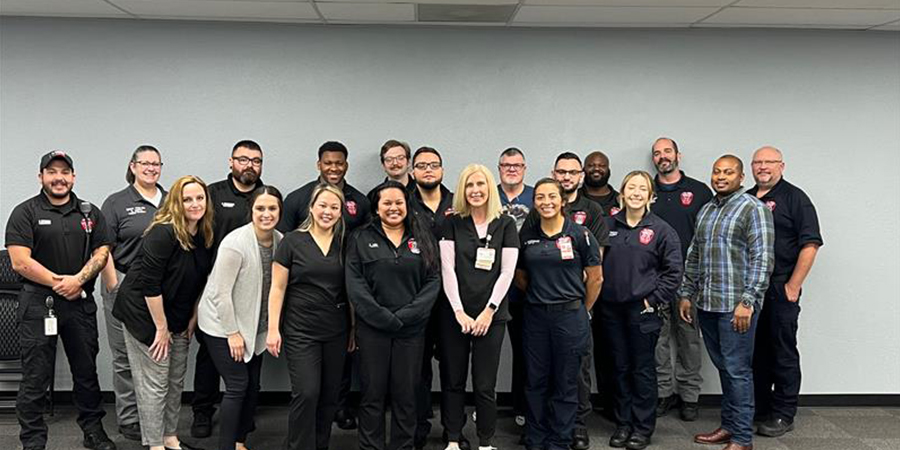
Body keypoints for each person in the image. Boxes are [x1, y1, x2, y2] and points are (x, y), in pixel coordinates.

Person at [6, 151, 116, 450]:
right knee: (35, 375)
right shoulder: (24, 212)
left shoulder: (89, 212)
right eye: (52, 171)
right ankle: (33, 441)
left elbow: (102, 251)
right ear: (41, 176)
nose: (59, 177)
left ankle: (93, 432)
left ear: (73, 176)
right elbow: (20, 262)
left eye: (65, 172)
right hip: (38, 303)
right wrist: (61, 283)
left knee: (86, 372)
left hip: (79, 302)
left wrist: (78, 281)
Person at [678, 155, 774, 450]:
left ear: (741, 177)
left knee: (738, 370)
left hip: (736, 308)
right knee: (725, 369)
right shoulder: (706, 210)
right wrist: (685, 292)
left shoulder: (753, 208)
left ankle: (743, 438)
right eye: (717, 172)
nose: (721, 176)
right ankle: (730, 426)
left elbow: (763, 258)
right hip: (707, 304)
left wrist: (748, 301)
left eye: (728, 172)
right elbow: (695, 255)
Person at [113, 175, 215, 450]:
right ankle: (155, 444)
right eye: (187, 199)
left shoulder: (204, 233)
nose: (195, 204)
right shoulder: (164, 232)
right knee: (156, 383)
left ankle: (170, 437)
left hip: (178, 314)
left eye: (199, 198)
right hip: (144, 315)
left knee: (174, 380)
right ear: (176, 204)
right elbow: (149, 284)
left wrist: (193, 315)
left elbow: (199, 278)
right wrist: (161, 328)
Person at [280, 140, 371, 430]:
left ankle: (339, 413)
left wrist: (355, 321)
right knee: (308, 391)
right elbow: (280, 275)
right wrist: (273, 325)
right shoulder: (296, 202)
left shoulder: (360, 202)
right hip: (302, 314)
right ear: (319, 164)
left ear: (346, 164)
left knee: (335, 381)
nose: (334, 167)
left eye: (339, 162)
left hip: (341, 309)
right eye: (328, 162)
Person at [522, 152, 609, 449]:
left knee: (566, 381)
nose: (546, 201)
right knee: (535, 380)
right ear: (535, 202)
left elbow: (595, 278)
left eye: (551, 197)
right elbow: (520, 275)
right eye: (540, 197)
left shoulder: (580, 234)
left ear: (562, 201)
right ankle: (535, 438)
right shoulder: (528, 233)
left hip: (570, 317)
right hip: (535, 316)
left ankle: (560, 439)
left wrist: (582, 310)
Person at [346, 181, 441, 450]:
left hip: (411, 331)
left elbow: (433, 281)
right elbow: (355, 285)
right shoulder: (359, 238)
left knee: (406, 395)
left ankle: (404, 446)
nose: (393, 208)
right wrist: (384, 318)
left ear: (407, 205)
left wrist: (406, 316)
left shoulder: (422, 237)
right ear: (376, 207)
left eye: (399, 202)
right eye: (386, 203)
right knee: (372, 394)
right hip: (373, 330)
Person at [599, 171, 683, 450]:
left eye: (642, 189)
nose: (636, 193)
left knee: (642, 370)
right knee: (619, 368)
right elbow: (594, 263)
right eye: (631, 187)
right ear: (621, 194)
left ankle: (642, 427)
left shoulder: (662, 230)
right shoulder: (607, 225)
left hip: (642, 311)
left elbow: (673, 273)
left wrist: (652, 300)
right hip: (611, 310)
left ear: (651, 196)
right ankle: (623, 424)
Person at [197, 185, 284, 450]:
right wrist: (232, 333)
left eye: (272, 208)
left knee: (253, 386)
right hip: (222, 324)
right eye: (260, 208)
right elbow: (221, 294)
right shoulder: (236, 243)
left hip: (254, 324)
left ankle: (239, 441)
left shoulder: (281, 240)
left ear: (280, 211)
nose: (266, 214)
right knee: (238, 385)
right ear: (251, 211)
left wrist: (271, 328)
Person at [438, 164, 519, 450]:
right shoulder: (451, 222)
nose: (475, 190)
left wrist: (489, 310)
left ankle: (485, 441)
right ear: (462, 189)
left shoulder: (505, 224)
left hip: (491, 317)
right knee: (453, 381)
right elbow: (447, 269)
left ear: (489, 188)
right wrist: (459, 311)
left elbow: (507, 272)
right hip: (455, 315)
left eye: (481, 184)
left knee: (485, 385)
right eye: (469, 185)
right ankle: (451, 439)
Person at [266, 184, 352, 450]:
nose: (328, 211)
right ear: (312, 208)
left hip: (336, 329)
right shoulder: (292, 241)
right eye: (323, 205)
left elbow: (352, 291)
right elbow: (277, 288)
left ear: (340, 213)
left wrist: (354, 329)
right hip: (301, 329)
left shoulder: (346, 243)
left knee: (329, 396)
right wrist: (272, 329)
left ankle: (320, 445)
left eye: (334, 207)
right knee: (307, 392)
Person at [193, 139, 266, 438]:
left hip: (251, 291)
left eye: (256, 160)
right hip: (213, 287)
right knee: (209, 356)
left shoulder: (265, 196)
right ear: (231, 162)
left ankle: (242, 417)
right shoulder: (213, 194)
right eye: (243, 159)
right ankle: (202, 412)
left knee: (250, 356)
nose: (249, 165)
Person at [748, 146, 822, 438]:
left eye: (769, 162)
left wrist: (792, 285)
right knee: (755, 352)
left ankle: (783, 413)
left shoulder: (795, 198)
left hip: (780, 287)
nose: (763, 167)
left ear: (782, 166)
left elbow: (810, 244)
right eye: (757, 162)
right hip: (752, 289)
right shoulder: (746, 199)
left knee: (782, 351)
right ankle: (761, 408)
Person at [100, 145, 167, 441]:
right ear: (133, 166)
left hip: (161, 286)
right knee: (125, 356)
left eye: (156, 164)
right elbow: (104, 249)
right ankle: (129, 418)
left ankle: (155, 416)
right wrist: (114, 285)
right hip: (125, 281)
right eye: (145, 163)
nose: (151, 168)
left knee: (158, 353)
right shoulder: (116, 202)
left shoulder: (170, 201)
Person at [649, 137, 713, 422]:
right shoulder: (645, 189)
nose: (663, 157)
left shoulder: (699, 192)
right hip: (654, 278)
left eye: (667, 151)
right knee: (658, 338)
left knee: (688, 338)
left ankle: (689, 395)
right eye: (657, 153)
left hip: (689, 278)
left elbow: (710, 236)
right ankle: (663, 392)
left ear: (678, 155)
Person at [406, 147, 457, 450]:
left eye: (433, 165)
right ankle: (418, 426)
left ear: (442, 170)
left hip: (453, 301)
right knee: (417, 368)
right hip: (417, 298)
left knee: (453, 368)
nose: (428, 170)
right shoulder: (404, 203)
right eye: (422, 166)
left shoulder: (457, 203)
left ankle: (453, 431)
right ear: (412, 172)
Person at [495, 147, 533, 428]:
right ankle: (486, 405)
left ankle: (522, 406)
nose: (511, 169)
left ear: (524, 168)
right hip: (491, 286)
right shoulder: (487, 194)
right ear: (499, 168)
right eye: (506, 165)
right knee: (487, 350)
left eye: (516, 165)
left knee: (525, 351)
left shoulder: (536, 196)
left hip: (525, 286)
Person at [581, 151, 619, 215]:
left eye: (602, 166)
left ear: (609, 171)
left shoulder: (620, 201)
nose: (596, 168)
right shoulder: (574, 198)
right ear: (583, 170)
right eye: (591, 165)